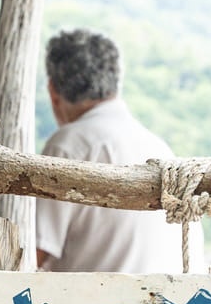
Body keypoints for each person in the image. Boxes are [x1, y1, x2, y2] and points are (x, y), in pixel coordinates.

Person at [36, 28, 190, 273]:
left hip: (92, 297)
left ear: (53, 91)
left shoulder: (68, 144)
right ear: (116, 82)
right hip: (164, 294)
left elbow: (33, 254)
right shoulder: (160, 148)